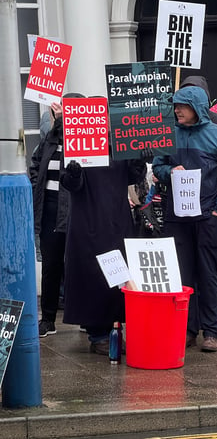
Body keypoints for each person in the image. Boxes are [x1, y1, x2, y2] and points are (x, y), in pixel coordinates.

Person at [152, 86, 217, 353]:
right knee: (181, 276)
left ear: (198, 108)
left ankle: (211, 331)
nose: (177, 110)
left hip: (206, 216)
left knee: (209, 274)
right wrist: (169, 171)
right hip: (176, 218)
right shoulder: (168, 133)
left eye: (182, 105)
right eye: (175, 105)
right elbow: (157, 166)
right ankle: (187, 330)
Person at [60, 105, 147, 354]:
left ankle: (113, 329)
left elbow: (131, 176)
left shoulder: (120, 147)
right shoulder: (78, 145)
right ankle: (97, 333)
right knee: (92, 276)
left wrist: (140, 158)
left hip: (116, 219)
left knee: (118, 275)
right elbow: (70, 184)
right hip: (87, 220)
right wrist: (74, 174)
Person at [29, 95, 81, 337]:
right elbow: (35, 165)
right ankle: (48, 319)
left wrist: (62, 121)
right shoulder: (49, 140)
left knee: (79, 264)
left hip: (74, 209)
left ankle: (84, 316)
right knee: (51, 265)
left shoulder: (81, 142)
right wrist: (34, 187)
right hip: (49, 208)